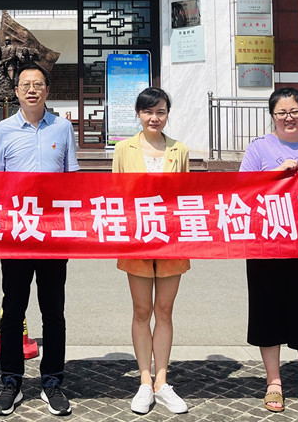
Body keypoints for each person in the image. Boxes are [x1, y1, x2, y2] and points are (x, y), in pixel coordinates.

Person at [0, 63, 79, 417]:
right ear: (16, 91)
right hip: (16, 234)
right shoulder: (3, 131)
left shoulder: (63, 128)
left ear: (47, 90)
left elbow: (72, 180)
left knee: (54, 311)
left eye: (38, 84)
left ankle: (52, 381)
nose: (32, 90)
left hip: (53, 235)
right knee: (13, 309)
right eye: (25, 84)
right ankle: (11, 381)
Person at [240, 87, 298, 415]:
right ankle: (274, 382)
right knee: (267, 311)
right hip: (266, 243)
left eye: (294, 111)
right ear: (273, 117)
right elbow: (242, 190)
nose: (288, 118)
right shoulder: (259, 148)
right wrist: (275, 175)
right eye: (281, 113)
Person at [112, 87, 192, 415]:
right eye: (148, 112)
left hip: (172, 240)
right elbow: (116, 195)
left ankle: (162, 381)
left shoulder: (179, 150)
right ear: (138, 114)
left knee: (165, 311)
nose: (154, 118)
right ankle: (144, 381)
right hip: (136, 239)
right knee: (142, 311)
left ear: (167, 114)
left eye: (160, 112)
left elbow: (187, 197)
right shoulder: (123, 149)